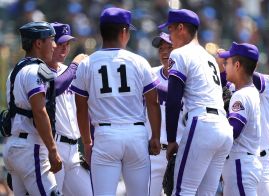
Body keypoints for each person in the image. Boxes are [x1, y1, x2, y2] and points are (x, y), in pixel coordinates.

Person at [70, 7, 161, 196]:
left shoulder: (87, 63)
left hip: (105, 135)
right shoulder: (139, 61)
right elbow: (153, 102)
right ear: (124, 32)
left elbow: (80, 109)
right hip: (136, 133)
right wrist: (155, 137)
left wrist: (87, 143)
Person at [158, 9, 233, 195]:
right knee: (205, 193)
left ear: (181, 28)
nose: (169, 36)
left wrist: (171, 139)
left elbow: (173, 100)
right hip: (224, 128)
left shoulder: (179, 54)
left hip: (202, 124)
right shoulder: (209, 58)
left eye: (171, 29)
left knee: (183, 191)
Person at [3, 21, 62, 195]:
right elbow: (39, 111)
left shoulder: (16, 71)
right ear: (38, 43)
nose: (54, 45)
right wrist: (53, 150)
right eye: (50, 40)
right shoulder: (35, 70)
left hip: (14, 145)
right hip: (31, 148)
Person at [217, 48, 269, 196]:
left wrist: (230, 65)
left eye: (229, 62)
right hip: (238, 156)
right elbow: (219, 84)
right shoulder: (236, 88)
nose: (226, 64)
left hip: (260, 159)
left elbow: (247, 75)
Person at [47, 22, 92, 196]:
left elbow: (84, 109)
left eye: (67, 44)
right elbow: (55, 87)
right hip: (54, 146)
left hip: (74, 150)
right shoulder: (40, 71)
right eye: (60, 44)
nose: (64, 48)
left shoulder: (69, 72)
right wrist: (75, 65)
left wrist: (89, 143)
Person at [147, 32, 185, 196]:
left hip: (180, 152)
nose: (164, 52)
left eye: (169, 47)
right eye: (161, 48)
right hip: (154, 152)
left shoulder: (189, 77)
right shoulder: (150, 74)